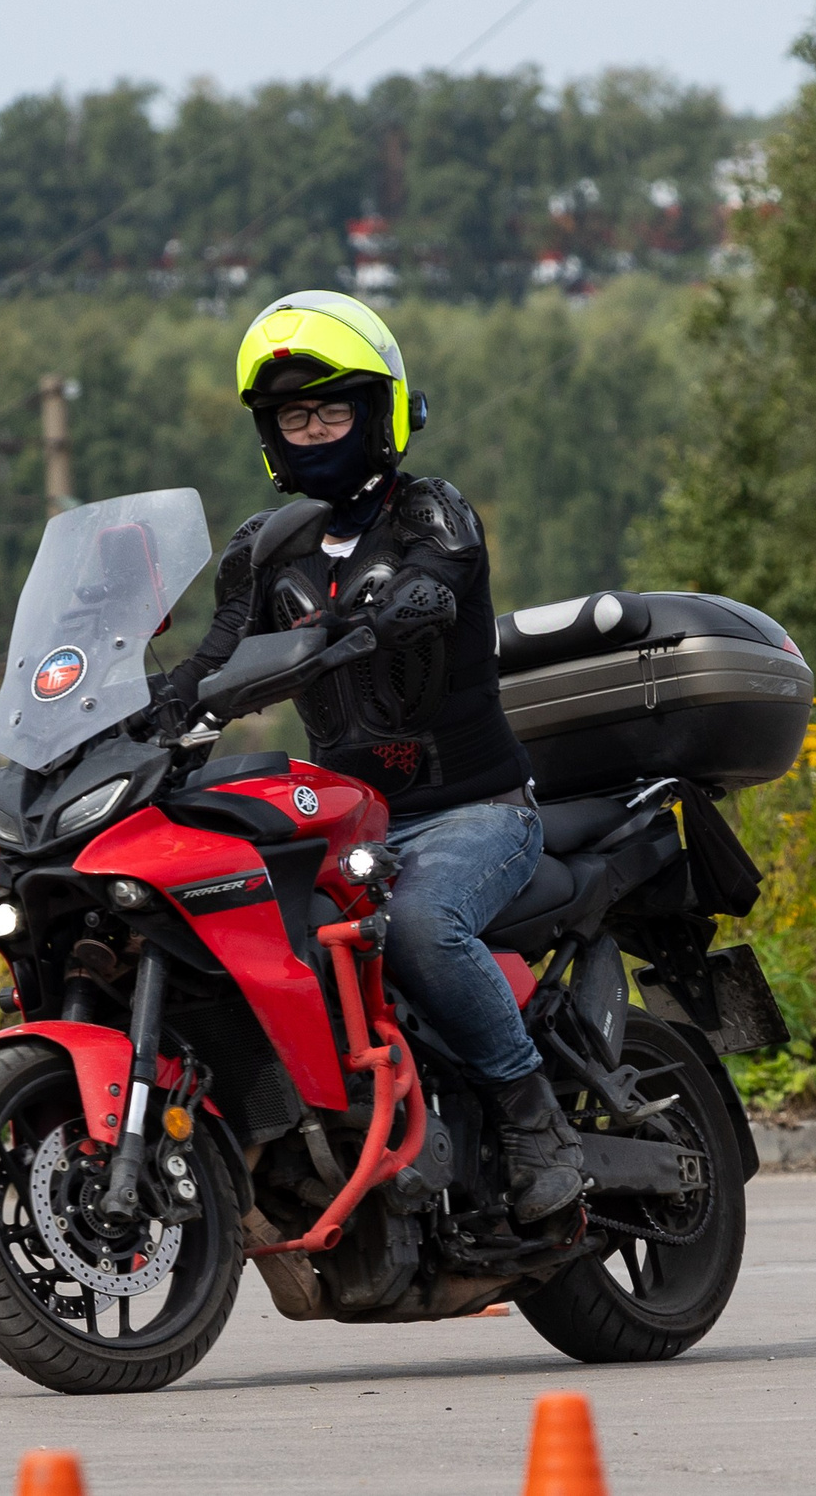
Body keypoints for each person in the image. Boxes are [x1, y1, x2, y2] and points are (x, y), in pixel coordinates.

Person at [158, 290, 585, 1223]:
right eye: (292, 416)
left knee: (425, 925)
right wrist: (148, 707)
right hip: (354, 820)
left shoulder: (433, 513)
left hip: (476, 812)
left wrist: (398, 609)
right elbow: (217, 655)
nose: (312, 430)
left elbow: (436, 582)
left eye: (331, 410)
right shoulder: (265, 550)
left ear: (377, 410)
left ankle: (531, 1114)